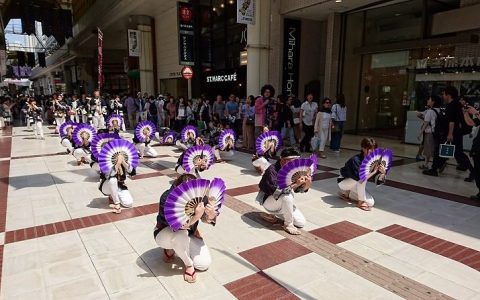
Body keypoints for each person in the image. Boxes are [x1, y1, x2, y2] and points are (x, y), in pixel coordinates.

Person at [154, 174, 216, 283]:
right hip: (165, 233)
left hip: (189, 233)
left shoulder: (200, 197)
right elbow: (176, 226)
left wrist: (211, 216)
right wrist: (196, 216)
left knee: (203, 264)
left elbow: (206, 219)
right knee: (180, 235)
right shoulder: (167, 197)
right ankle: (188, 265)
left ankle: (175, 249)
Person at [423, 86, 474, 177]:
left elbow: (452, 121)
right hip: (455, 133)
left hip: (451, 134)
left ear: (448, 95)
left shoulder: (452, 105)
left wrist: (450, 134)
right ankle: (435, 168)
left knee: (455, 153)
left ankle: (473, 172)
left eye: (444, 94)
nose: (443, 96)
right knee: (447, 152)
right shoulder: (455, 104)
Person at [257, 147, 309, 235]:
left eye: (297, 161)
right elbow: (276, 193)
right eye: (293, 161)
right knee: (287, 195)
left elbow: (297, 190)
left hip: (283, 202)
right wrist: (295, 184)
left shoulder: (294, 170)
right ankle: (288, 224)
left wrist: (307, 184)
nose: (295, 163)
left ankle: (274, 216)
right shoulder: (272, 170)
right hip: (270, 200)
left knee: (301, 223)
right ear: (283, 160)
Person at [337, 138, 386, 211]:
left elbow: (377, 181)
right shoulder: (355, 160)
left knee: (370, 202)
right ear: (363, 148)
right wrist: (373, 172)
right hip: (344, 181)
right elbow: (360, 179)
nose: (372, 152)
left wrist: (383, 173)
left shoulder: (374, 162)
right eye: (370, 149)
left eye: (374, 150)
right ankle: (360, 202)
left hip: (356, 184)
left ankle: (347, 194)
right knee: (363, 177)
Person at [417, 96, 441, 170]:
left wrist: (420, 133)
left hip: (429, 133)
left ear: (433, 102)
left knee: (428, 150)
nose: (428, 100)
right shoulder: (438, 110)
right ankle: (428, 164)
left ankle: (429, 164)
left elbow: (426, 123)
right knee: (433, 149)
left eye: (430, 99)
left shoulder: (430, 111)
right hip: (436, 133)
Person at [463, 106, 480, 200]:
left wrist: (476, 113)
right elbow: (471, 123)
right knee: (478, 170)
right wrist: (465, 112)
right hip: (477, 148)